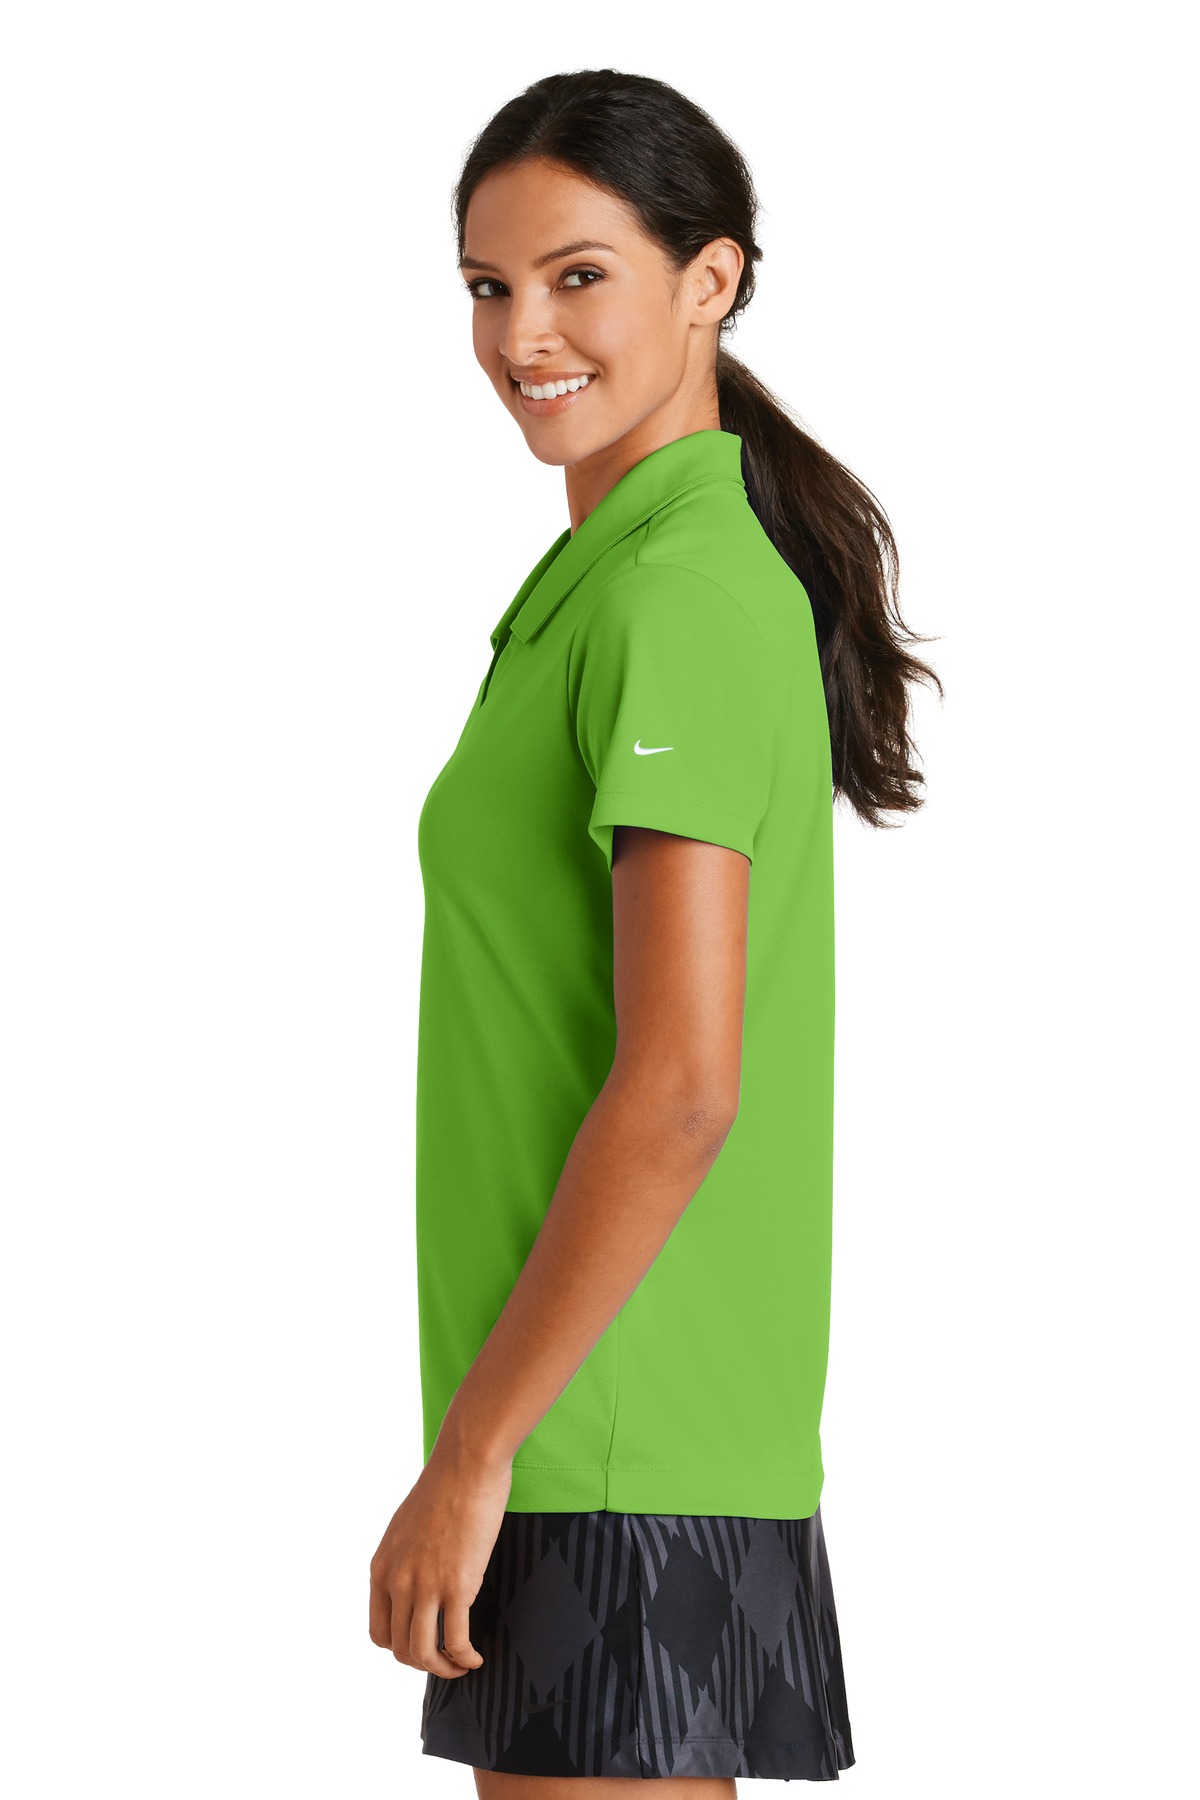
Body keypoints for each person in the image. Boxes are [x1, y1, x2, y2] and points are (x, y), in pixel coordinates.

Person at [369, 68, 940, 1793]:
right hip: (609, 1427)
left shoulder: (677, 591)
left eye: (578, 276)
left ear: (712, 280)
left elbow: (685, 1083)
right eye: (488, 285)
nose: (520, 334)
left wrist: (474, 1453)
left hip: (606, 1438)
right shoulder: (613, 579)